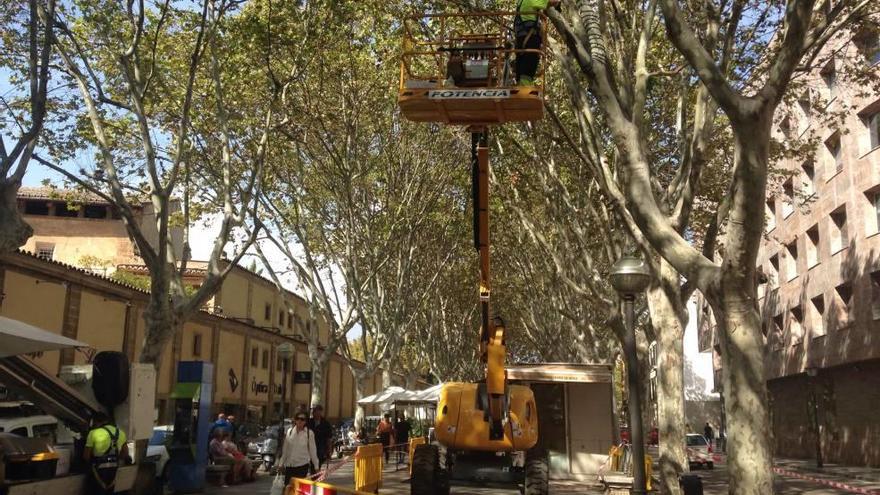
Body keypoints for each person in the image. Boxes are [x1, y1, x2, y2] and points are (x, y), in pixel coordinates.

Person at [514, 0, 560, 86]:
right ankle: (524, 86)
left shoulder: (520, 2)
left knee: (521, 62)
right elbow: (552, 2)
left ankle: (520, 84)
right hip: (530, 37)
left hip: (521, 38)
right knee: (530, 61)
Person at [84, 411, 129, 495]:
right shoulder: (121, 433)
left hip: (97, 472)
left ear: (96, 422)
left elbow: (86, 456)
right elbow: (125, 454)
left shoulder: (93, 433)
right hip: (113, 472)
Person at [279, 412, 320, 487]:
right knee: (287, 489)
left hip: (302, 466)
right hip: (289, 465)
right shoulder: (290, 432)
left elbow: (313, 451)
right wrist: (281, 464)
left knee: (298, 489)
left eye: (302, 419)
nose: (300, 421)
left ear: (305, 421)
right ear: (295, 420)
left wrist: (316, 467)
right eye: (298, 419)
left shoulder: (309, 433)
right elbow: (285, 450)